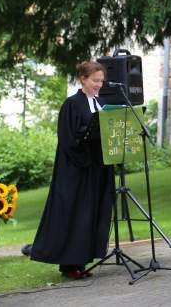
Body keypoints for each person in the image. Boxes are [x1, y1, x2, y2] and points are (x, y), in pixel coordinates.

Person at [30, 61, 115, 279]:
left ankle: (82, 260)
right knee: (77, 214)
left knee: (91, 214)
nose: (99, 85)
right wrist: (85, 158)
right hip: (77, 170)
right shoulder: (72, 104)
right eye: (95, 81)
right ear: (83, 79)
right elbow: (67, 139)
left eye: (101, 81)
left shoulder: (101, 103)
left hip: (97, 168)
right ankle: (69, 265)